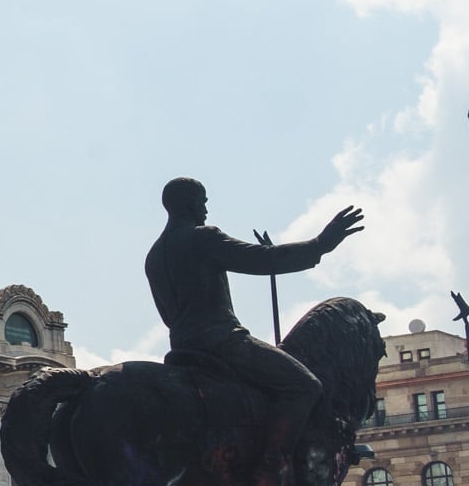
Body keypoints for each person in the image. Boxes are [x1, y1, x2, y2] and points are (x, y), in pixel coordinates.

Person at [144, 177, 363, 446]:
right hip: (223, 343)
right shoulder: (202, 238)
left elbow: (167, 313)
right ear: (190, 203)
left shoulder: (154, 255)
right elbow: (262, 259)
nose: (205, 209)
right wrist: (320, 244)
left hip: (182, 347)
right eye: (203, 202)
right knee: (305, 387)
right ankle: (271, 465)